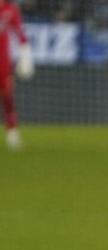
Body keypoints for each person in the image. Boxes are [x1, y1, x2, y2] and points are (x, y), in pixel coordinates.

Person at [0, 0, 33, 150]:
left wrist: (25, 58)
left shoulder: (10, 10)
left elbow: (21, 35)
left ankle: (12, 134)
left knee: (8, 98)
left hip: (3, 64)